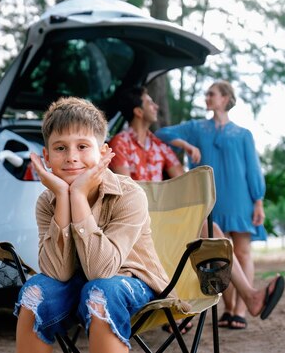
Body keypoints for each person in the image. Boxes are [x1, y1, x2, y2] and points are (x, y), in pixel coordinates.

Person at [15, 97, 182, 353]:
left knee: (101, 291)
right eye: (60, 148)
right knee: (35, 291)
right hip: (76, 282)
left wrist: (79, 197)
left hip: (131, 283)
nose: (71, 157)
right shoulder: (48, 201)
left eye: (82, 146)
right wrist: (63, 197)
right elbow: (57, 273)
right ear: (46, 157)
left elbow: (101, 271)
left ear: (103, 152)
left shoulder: (129, 194)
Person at [111, 86, 284, 331]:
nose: (156, 106)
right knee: (195, 239)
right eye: (150, 102)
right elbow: (129, 191)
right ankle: (180, 307)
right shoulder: (120, 143)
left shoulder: (159, 147)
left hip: (168, 221)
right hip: (137, 225)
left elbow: (184, 186)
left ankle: (250, 298)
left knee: (211, 230)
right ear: (138, 111)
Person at [155, 80, 274, 330]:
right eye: (207, 93)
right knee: (223, 254)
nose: (207, 97)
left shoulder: (243, 134)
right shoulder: (197, 127)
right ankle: (227, 310)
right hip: (211, 198)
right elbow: (162, 134)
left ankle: (238, 310)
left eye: (212, 94)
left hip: (241, 198)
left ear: (226, 98)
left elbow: (253, 168)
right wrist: (186, 145)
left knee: (242, 252)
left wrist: (258, 201)